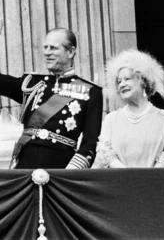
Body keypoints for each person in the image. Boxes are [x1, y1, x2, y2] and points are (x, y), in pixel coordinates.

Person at [0, 28, 103, 169]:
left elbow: (89, 145)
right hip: (24, 168)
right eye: (45, 48)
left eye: (53, 48)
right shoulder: (32, 83)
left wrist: (70, 173)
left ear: (71, 52)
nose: (47, 52)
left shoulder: (91, 92)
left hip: (62, 171)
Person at [95, 50, 164, 168]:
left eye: (127, 79)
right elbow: (105, 154)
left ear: (144, 81)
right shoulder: (111, 120)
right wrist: (127, 175)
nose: (122, 84)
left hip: (154, 183)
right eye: (119, 81)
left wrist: (146, 178)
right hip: (119, 183)